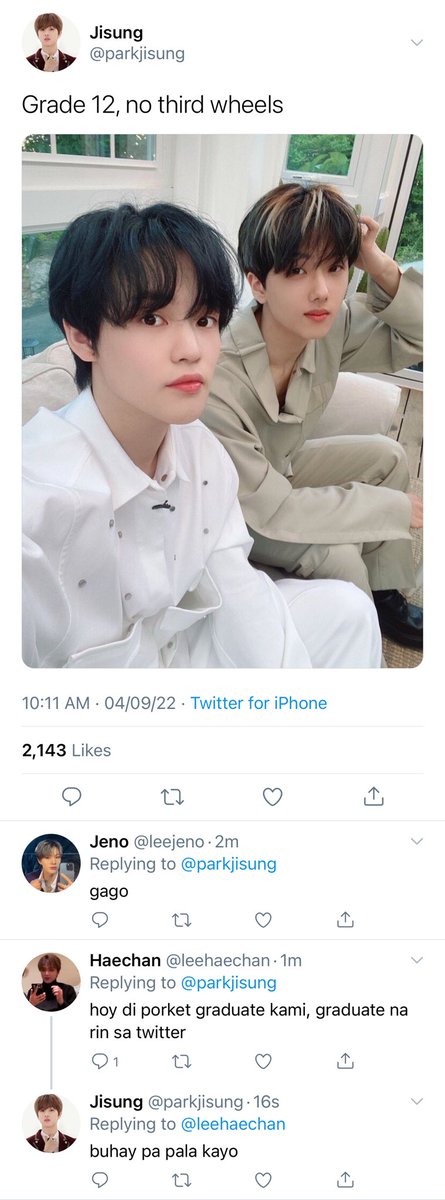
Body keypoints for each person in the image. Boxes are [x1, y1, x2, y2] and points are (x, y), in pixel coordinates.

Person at [22, 201, 382, 669]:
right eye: (151, 319)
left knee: (349, 611)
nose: (192, 349)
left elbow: (239, 592)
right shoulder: (34, 508)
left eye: (204, 320)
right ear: (82, 337)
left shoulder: (201, 452)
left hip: (188, 647)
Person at [203, 183, 423, 649]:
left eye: (335, 267)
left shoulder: (332, 326)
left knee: (387, 457)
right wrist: (395, 509)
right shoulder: (218, 375)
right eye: (297, 271)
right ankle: (359, 654)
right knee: (338, 556)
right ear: (258, 284)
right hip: (233, 509)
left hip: (280, 473)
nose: (322, 291)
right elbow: (269, 509)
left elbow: (422, 336)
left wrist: (376, 262)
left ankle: (383, 595)